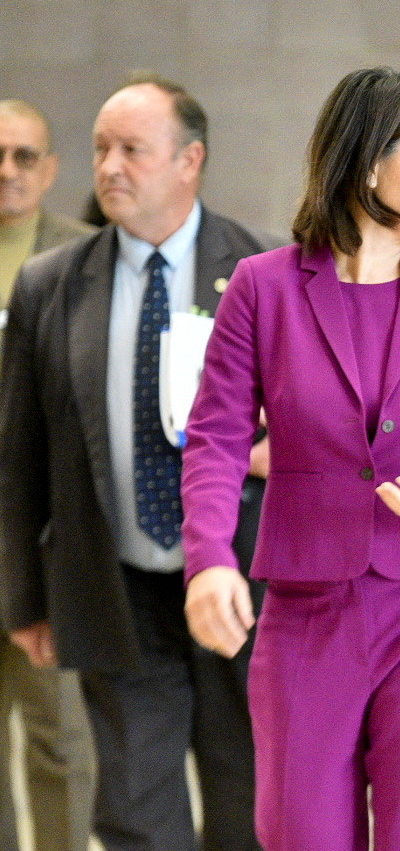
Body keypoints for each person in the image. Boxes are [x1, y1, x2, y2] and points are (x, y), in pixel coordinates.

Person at [181, 67, 400, 851]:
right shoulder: (263, 290)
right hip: (305, 616)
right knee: (298, 835)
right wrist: (207, 559)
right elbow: (218, 436)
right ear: (371, 161)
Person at [0, 77, 271, 851]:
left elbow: (315, 428)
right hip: (114, 588)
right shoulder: (50, 285)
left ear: (190, 160)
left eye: (132, 150)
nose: (110, 167)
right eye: (100, 150)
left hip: (241, 587)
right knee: (134, 811)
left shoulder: (262, 274)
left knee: (246, 795)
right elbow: (19, 459)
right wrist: (25, 597)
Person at [0, 98, 97, 851]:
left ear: (50, 168)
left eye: (24, 156)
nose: (7, 170)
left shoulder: (85, 259)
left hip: (42, 540)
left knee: (61, 739)